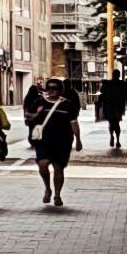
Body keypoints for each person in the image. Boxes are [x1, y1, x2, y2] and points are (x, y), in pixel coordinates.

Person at [31, 77, 79, 205]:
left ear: (60, 90)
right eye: (49, 88)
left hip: (63, 141)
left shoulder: (67, 104)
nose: (51, 90)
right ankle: (47, 188)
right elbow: (29, 116)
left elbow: (74, 123)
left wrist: (78, 140)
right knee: (43, 165)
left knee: (58, 168)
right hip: (43, 140)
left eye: (55, 88)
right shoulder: (40, 102)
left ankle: (57, 195)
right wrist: (36, 114)